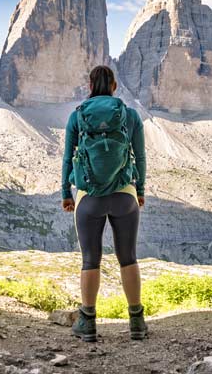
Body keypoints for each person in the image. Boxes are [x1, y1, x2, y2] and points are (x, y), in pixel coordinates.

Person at [61, 65, 147, 342]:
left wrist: (66, 193)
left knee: (90, 259)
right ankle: (136, 322)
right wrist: (139, 190)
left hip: (89, 198)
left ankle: (87, 322)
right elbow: (140, 157)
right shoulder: (130, 116)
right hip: (125, 196)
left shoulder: (77, 116)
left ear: (89, 85)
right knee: (128, 257)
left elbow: (67, 158)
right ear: (114, 86)